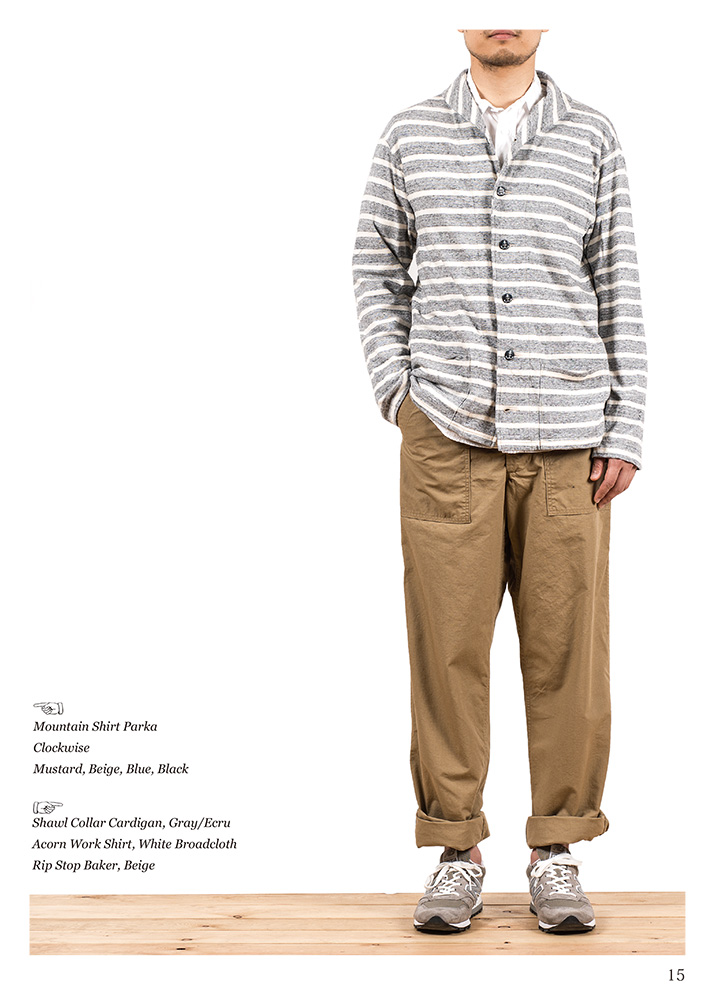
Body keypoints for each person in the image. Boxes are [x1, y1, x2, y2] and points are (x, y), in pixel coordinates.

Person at [351, 28, 647, 935]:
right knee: (445, 649)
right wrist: (399, 392)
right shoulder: (409, 133)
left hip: (568, 440)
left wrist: (626, 423)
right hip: (445, 435)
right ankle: (455, 851)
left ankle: (556, 850)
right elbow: (374, 266)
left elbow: (617, 282)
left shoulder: (590, 135)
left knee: (567, 654)